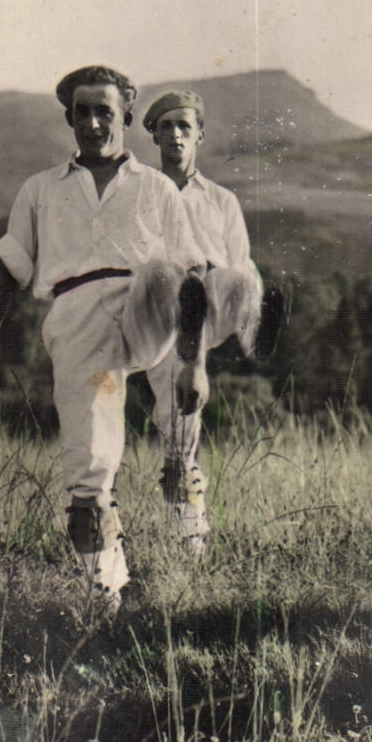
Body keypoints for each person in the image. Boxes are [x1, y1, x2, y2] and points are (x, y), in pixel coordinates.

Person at [0, 66, 260, 614]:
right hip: (79, 317)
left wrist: (193, 365)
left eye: (106, 112)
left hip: (145, 306)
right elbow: (4, 271)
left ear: (126, 116)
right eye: (84, 112)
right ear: (69, 118)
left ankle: (189, 536)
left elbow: (191, 278)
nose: (95, 123)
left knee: (167, 276)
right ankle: (107, 591)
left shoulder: (154, 187)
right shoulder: (40, 190)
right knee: (91, 467)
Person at [142, 89, 272, 558]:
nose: (175, 136)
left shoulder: (220, 200)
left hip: (208, 311)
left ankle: (253, 344)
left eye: (184, 127)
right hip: (159, 314)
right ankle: (189, 536)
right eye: (165, 127)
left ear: (200, 134)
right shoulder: (143, 194)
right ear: (153, 135)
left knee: (241, 276)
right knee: (178, 427)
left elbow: (239, 266)